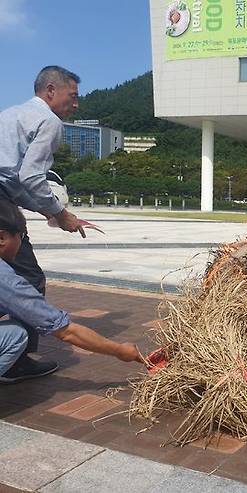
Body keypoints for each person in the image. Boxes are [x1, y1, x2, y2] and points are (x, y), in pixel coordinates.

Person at [0, 66, 89, 380]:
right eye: (73, 96)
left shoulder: (10, 114)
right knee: (28, 277)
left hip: (5, 198)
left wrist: (48, 212)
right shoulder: (49, 121)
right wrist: (61, 213)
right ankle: (17, 361)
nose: (76, 104)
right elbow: (31, 177)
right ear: (51, 90)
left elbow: (13, 180)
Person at [0, 201, 144, 383]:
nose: (22, 242)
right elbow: (65, 331)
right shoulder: (6, 280)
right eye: (21, 236)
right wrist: (120, 350)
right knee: (16, 335)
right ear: (2, 237)